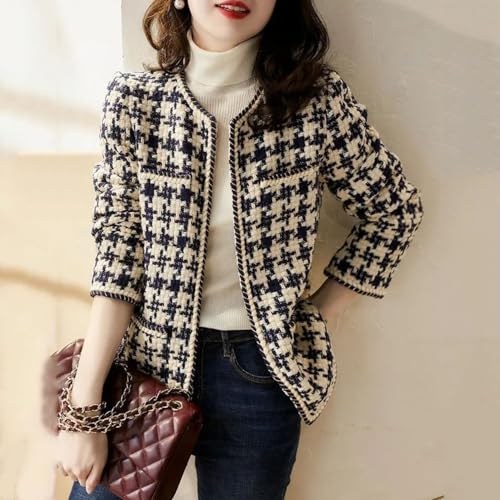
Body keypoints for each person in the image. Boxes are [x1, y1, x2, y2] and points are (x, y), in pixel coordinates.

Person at [55, 0, 425, 498]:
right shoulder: (135, 102)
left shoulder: (317, 104)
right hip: (145, 365)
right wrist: (83, 411)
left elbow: (395, 210)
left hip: (259, 375)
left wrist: (314, 316)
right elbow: (117, 260)